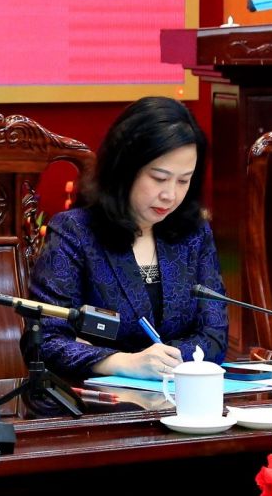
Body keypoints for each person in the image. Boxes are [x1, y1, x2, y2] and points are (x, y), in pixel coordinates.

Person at [27, 96, 229, 380]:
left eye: (183, 180)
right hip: (98, 398)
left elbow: (214, 336)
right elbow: (46, 341)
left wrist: (160, 362)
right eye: (159, 178)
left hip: (177, 393)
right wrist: (125, 362)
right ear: (124, 169)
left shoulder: (193, 233)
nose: (170, 195)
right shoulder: (75, 232)